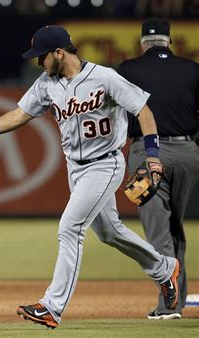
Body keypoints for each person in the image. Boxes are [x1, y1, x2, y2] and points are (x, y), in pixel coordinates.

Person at [0, 25, 180, 329]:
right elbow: (19, 115)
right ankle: (164, 268)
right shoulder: (47, 84)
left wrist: (152, 155)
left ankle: (52, 306)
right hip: (76, 168)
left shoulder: (104, 77)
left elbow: (143, 110)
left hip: (105, 164)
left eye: (41, 57)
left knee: (70, 227)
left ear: (60, 53)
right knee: (110, 232)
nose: (38, 63)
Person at [118, 18, 199, 320]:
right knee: (174, 228)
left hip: (146, 152)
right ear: (169, 41)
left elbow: (119, 116)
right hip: (188, 152)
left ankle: (169, 307)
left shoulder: (128, 69)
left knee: (158, 232)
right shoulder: (192, 69)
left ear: (143, 44)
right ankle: (177, 300)